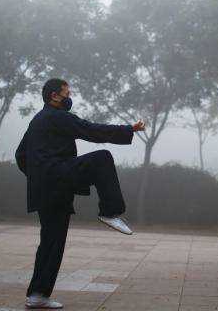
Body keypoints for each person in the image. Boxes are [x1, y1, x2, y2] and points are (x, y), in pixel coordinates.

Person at [15, 78, 145, 309]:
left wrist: (39, 178)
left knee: (51, 241)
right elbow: (90, 130)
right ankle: (110, 211)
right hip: (56, 177)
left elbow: (20, 155)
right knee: (102, 158)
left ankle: (37, 294)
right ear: (54, 96)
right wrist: (129, 129)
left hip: (46, 188)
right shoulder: (56, 116)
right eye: (67, 93)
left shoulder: (37, 120)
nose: (69, 97)